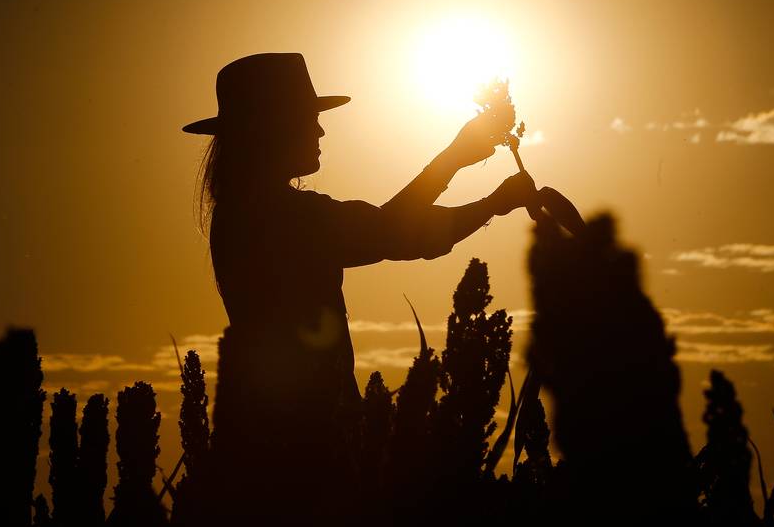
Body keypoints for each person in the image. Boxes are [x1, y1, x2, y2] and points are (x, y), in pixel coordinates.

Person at [182, 52, 540, 523]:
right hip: (308, 444)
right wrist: (481, 188)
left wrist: (465, 172)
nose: (320, 131)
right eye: (308, 119)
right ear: (272, 127)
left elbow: (389, 229)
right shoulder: (281, 218)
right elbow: (391, 233)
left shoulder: (248, 214)